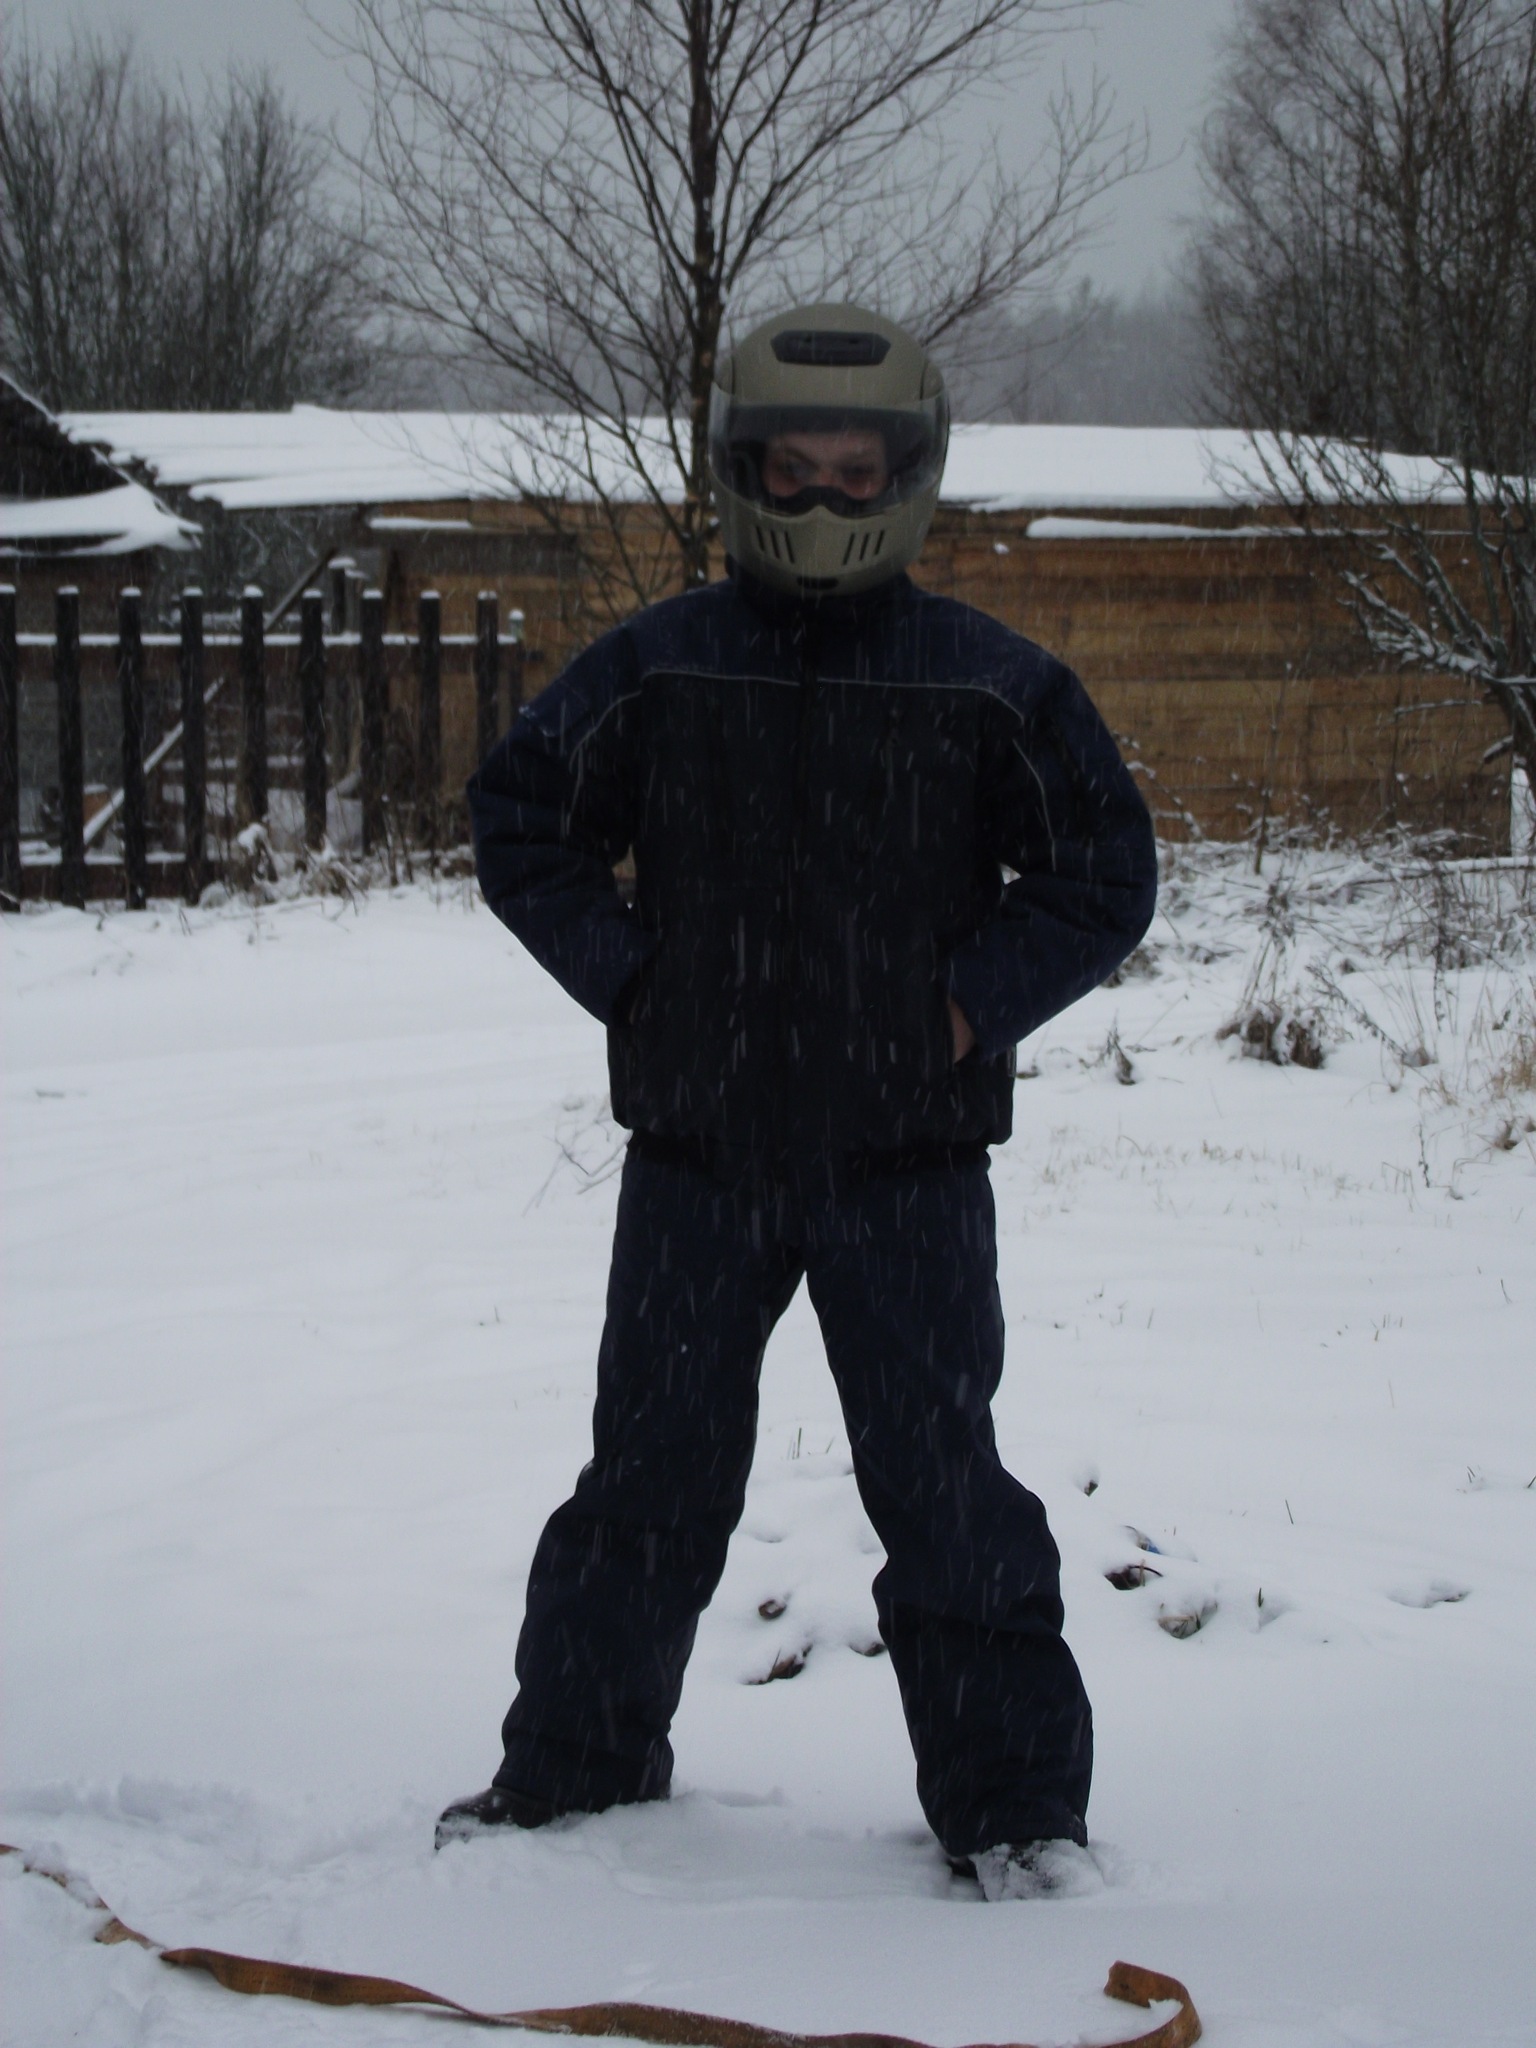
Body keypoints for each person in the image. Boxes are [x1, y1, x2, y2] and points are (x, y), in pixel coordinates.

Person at [444, 304, 1157, 1899]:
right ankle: (575, 1773)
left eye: (856, 472)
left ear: (908, 477)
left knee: (945, 1488)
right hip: (700, 1158)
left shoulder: (989, 684)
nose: (825, 500)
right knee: (649, 1475)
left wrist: (965, 1005)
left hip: (909, 1165)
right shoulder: (661, 665)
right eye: (794, 470)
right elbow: (521, 816)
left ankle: (1015, 1818)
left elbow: (1106, 871)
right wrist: (635, 984)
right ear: (741, 470)